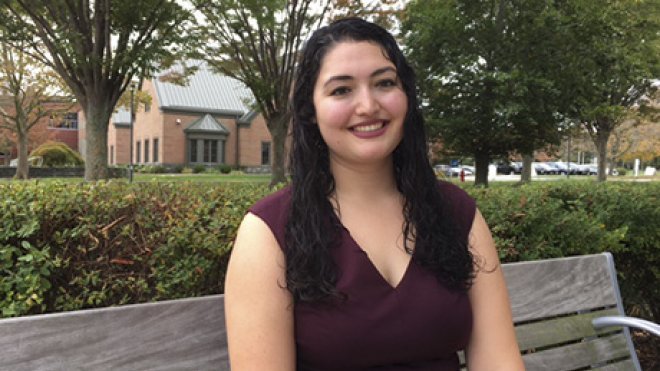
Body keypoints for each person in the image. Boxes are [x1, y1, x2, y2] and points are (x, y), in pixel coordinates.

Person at [224, 18, 524, 370]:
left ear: (406, 98)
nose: (367, 105)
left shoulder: (457, 214)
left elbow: (499, 361)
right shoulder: (269, 231)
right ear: (310, 111)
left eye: (384, 83)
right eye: (341, 90)